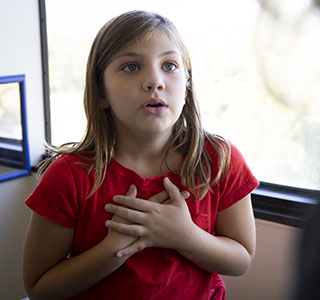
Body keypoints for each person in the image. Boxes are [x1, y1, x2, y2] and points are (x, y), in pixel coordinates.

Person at [23, 10, 259, 300]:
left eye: (169, 65)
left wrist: (185, 236)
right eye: (132, 67)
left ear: (186, 86)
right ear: (101, 93)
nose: (154, 81)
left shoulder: (220, 160)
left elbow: (242, 259)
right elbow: (39, 289)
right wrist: (115, 248)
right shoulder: (69, 175)